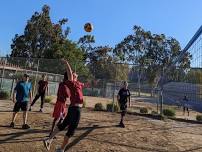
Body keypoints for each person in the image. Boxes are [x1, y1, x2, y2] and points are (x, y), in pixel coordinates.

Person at [43, 60, 84, 152]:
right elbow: (69, 72)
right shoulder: (71, 83)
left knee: (63, 125)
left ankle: (49, 139)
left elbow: (85, 84)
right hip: (76, 109)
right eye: (73, 74)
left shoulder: (78, 84)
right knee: (71, 131)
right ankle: (61, 149)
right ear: (71, 77)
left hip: (73, 109)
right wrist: (67, 63)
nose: (74, 73)